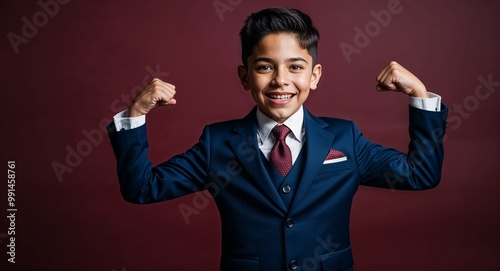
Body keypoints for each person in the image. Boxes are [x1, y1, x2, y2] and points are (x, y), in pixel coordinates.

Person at [108, 7, 448, 271]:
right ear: (244, 76)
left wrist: (419, 95)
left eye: (296, 67)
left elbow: (421, 175)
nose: (280, 81)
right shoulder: (218, 142)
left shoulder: (346, 138)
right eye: (265, 67)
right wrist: (135, 115)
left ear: (315, 76)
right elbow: (141, 188)